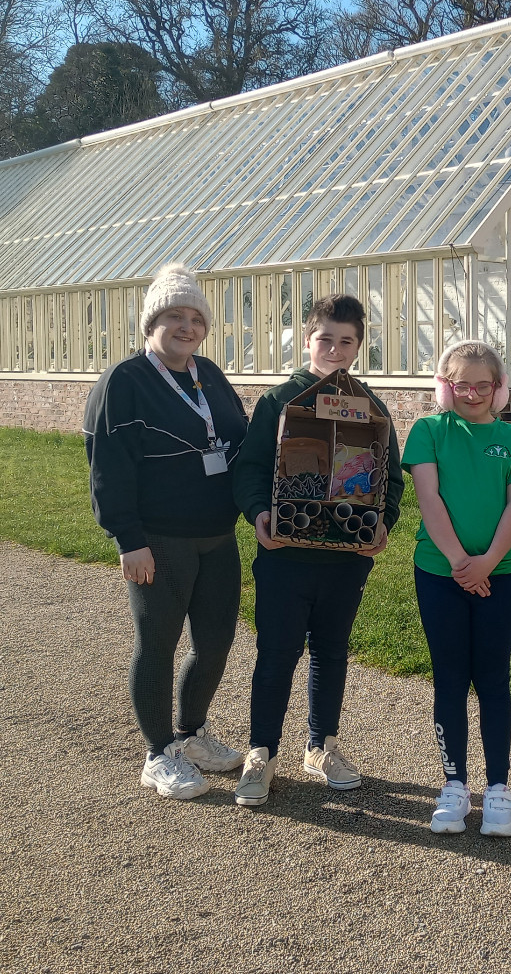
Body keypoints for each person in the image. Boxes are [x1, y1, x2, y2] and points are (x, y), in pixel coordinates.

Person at [83, 263, 249, 799]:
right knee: (157, 643)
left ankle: (193, 732)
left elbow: (239, 443)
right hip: (159, 538)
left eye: (194, 317)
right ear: (151, 322)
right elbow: (109, 466)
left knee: (217, 641)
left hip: (216, 535)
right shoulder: (124, 382)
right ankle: (158, 752)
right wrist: (128, 540)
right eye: (174, 316)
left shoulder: (210, 375)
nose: (186, 326)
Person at [230, 294, 404, 807]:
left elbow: (390, 477)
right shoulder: (278, 401)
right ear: (307, 339)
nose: (334, 348)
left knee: (331, 652)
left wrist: (383, 524)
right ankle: (262, 751)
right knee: (277, 653)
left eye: (345, 340)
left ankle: (321, 745)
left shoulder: (371, 406)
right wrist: (260, 513)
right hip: (285, 555)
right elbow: (252, 469)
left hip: (345, 559)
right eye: (324, 338)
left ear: (357, 346)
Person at [402, 340, 511, 836]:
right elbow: (428, 497)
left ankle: (499, 788)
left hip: (499, 575)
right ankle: (455, 784)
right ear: (446, 385)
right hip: (440, 574)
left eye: (484, 384)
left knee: (493, 680)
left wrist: (487, 564)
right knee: (450, 678)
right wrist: (462, 563)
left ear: (498, 387)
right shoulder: (428, 431)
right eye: (461, 383)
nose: (473, 392)